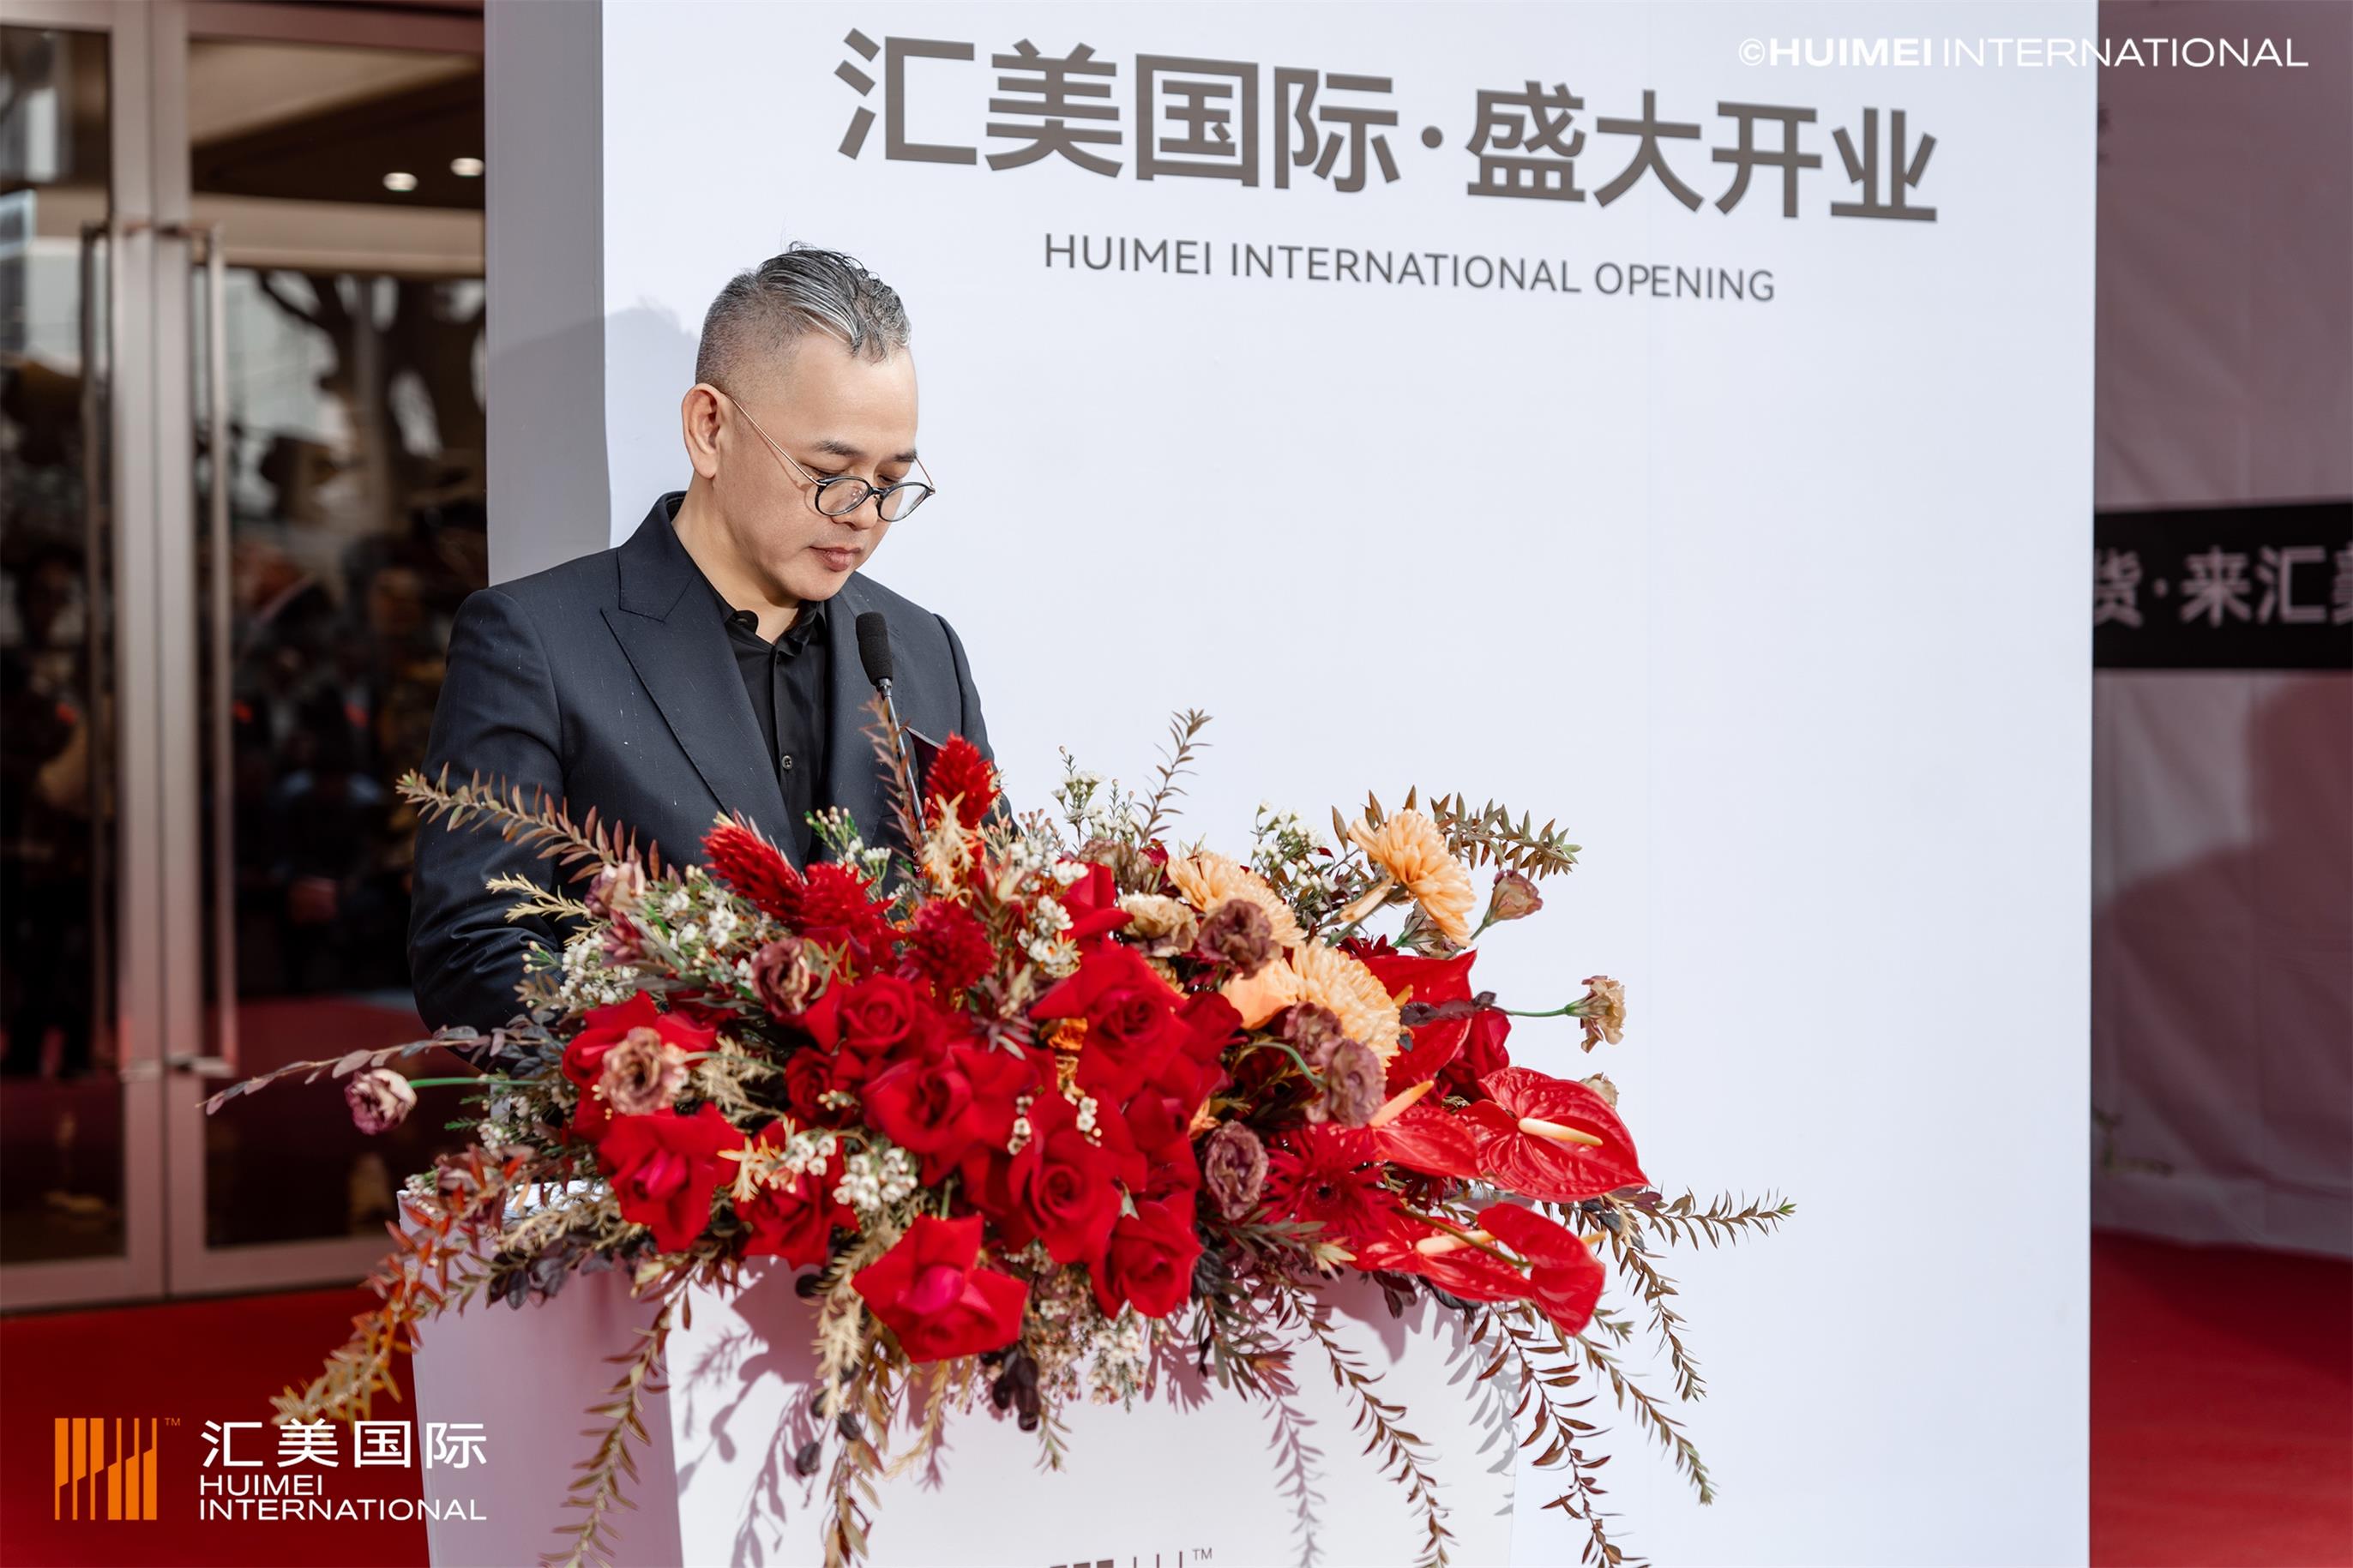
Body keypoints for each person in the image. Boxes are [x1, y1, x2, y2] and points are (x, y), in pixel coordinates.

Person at [406, 246, 990, 1036]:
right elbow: (471, 952)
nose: (863, 514)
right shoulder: (536, 641)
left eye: (891, 481)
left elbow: (987, 914)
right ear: (709, 428)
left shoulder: (924, 650)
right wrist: (697, 1066)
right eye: (831, 472)